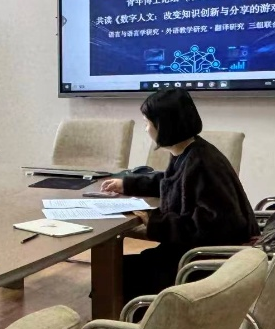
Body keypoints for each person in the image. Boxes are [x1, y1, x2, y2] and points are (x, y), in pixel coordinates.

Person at [100, 89, 256, 299]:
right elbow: (170, 181)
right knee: (116, 269)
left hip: (202, 261)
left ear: (164, 125)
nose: (146, 129)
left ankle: (130, 318)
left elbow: (215, 227)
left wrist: (154, 220)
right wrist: (127, 185)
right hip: (190, 252)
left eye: (147, 123)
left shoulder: (202, 164)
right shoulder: (191, 150)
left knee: (114, 273)